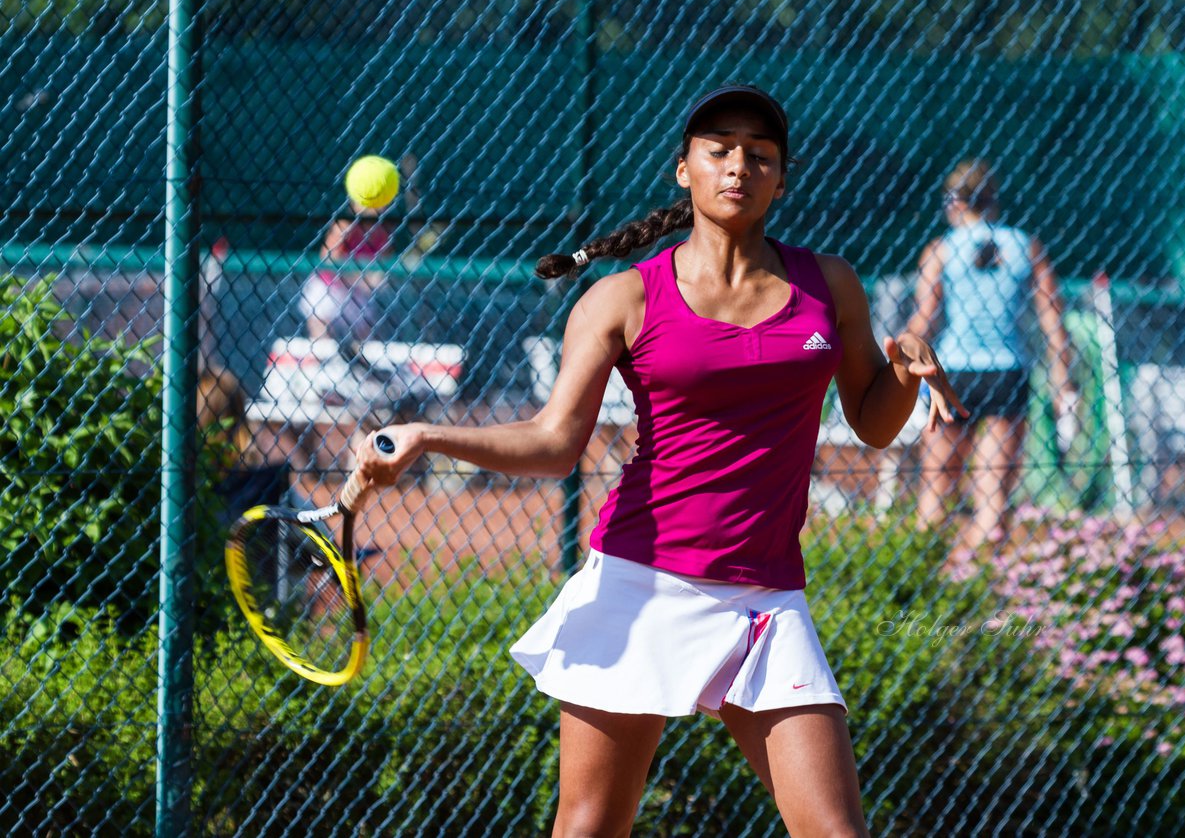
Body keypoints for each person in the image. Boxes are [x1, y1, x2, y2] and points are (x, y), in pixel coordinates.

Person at [348, 85, 965, 837]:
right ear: (685, 170)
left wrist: (903, 371)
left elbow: (872, 423)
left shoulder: (829, 284)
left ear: (782, 178)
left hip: (766, 599)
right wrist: (429, 436)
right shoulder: (622, 299)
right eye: (720, 149)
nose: (739, 165)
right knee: (591, 828)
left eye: (759, 155)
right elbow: (553, 442)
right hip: (640, 585)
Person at [906, 159, 1076, 557]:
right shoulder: (1025, 245)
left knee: (936, 484)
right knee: (993, 492)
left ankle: (923, 576)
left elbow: (925, 317)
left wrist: (902, 362)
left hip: (953, 372)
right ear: (993, 199)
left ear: (953, 202)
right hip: (1007, 371)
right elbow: (1052, 316)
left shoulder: (942, 249)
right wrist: (1062, 376)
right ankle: (980, 577)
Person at [299, 199, 393, 344]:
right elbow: (328, 261)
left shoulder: (383, 231)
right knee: (320, 326)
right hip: (329, 287)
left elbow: (383, 267)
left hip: (357, 294)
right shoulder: (345, 225)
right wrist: (359, 279)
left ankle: (360, 362)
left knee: (365, 334)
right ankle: (322, 358)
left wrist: (377, 280)